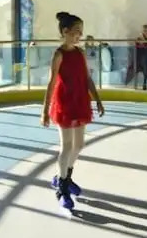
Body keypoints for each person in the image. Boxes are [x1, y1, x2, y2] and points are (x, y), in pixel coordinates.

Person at [41, 11, 105, 211]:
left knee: (79, 145)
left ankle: (65, 176)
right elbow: (51, 83)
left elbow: (87, 78)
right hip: (64, 103)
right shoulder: (59, 55)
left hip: (80, 101)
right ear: (65, 31)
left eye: (81, 31)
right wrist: (45, 110)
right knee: (67, 146)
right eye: (77, 31)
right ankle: (62, 187)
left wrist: (97, 99)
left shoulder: (80, 53)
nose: (80, 35)